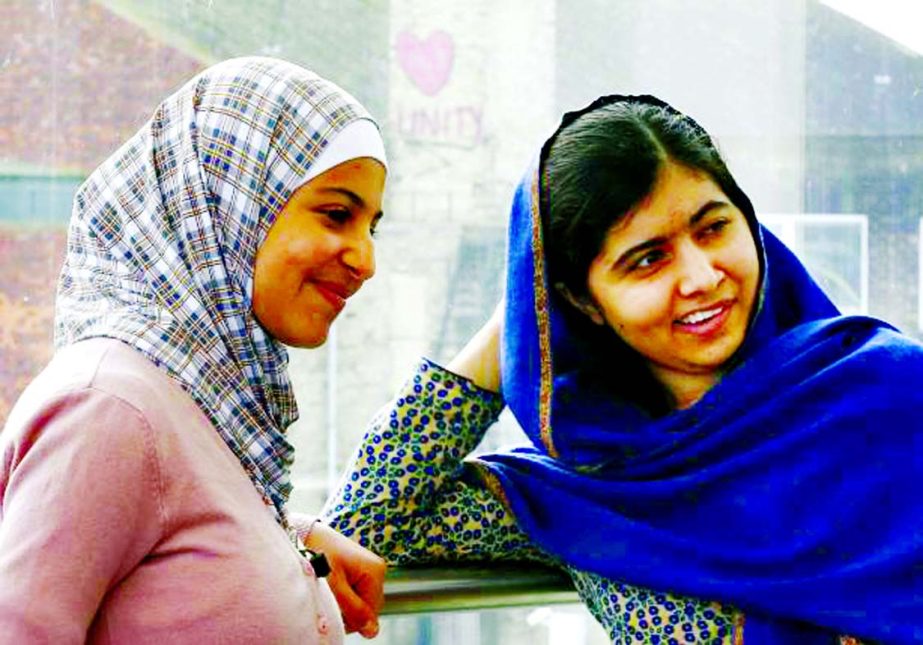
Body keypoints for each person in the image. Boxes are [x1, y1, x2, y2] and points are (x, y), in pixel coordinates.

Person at [323, 95, 922, 644]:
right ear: (583, 301)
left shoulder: (888, 394)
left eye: (714, 227)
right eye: (647, 260)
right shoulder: (589, 494)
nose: (701, 277)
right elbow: (365, 525)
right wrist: (522, 314)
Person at [0, 56, 389, 643]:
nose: (365, 260)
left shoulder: (199, 396)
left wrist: (290, 539)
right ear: (226, 205)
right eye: (336, 214)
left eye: (371, 227)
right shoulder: (108, 407)